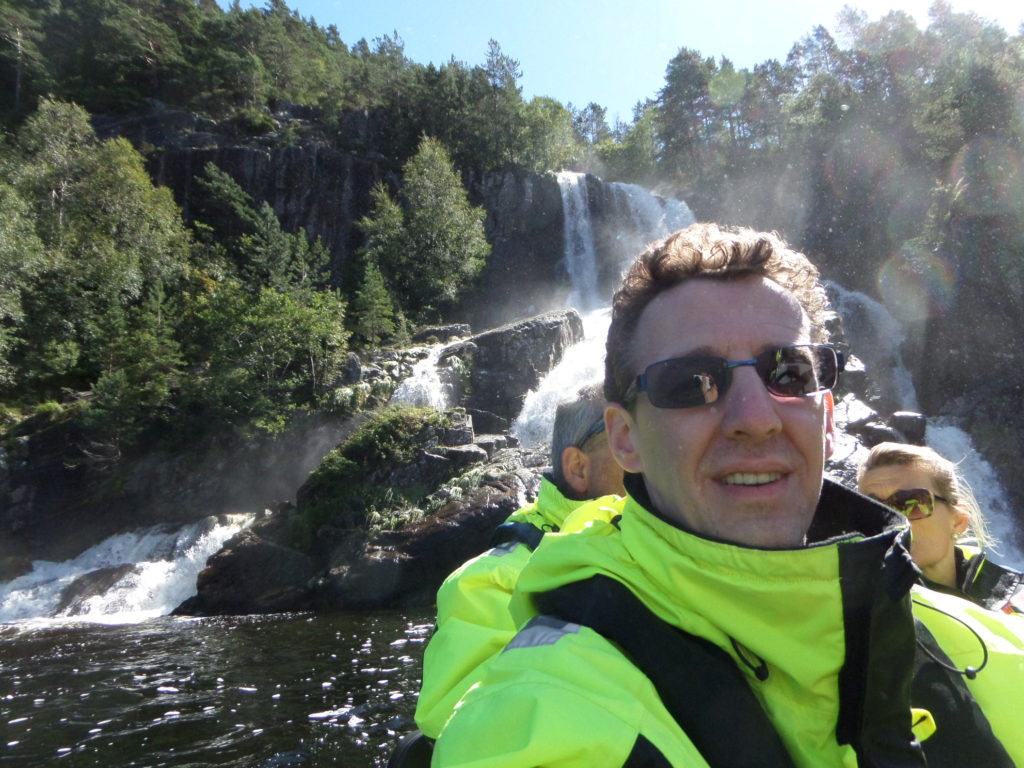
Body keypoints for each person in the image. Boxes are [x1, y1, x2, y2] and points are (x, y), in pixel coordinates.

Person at [431, 223, 1022, 767]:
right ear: (624, 438)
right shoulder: (546, 703)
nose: (755, 417)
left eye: (789, 373)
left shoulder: (966, 634)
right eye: (691, 382)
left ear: (828, 418)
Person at [412, 383, 625, 741]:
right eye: (625, 435)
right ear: (578, 467)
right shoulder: (486, 582)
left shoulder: (683, 542)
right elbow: (464, 728)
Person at [857, 441, 1023, 612]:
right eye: (873, 510)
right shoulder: (856, 616)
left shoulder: (1017, 596)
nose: (894, 522)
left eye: (912, 503)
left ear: (959, 520)